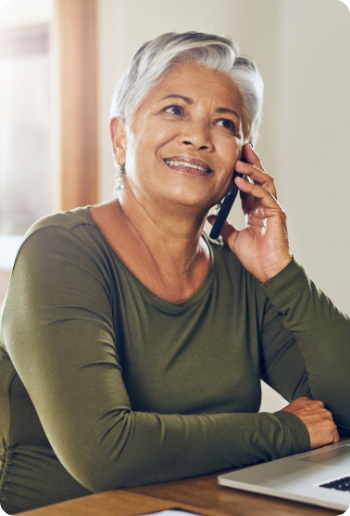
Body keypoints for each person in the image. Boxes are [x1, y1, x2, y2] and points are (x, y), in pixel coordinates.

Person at [0, 31, 349, 515]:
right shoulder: (59, 251)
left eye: (225, 123)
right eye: (174, 110)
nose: (199, 137)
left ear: (242, 162)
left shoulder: (240, 273)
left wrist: (280, 270)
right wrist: (285, 431)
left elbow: (343, 413)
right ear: (121, 137)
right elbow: (106, 451)